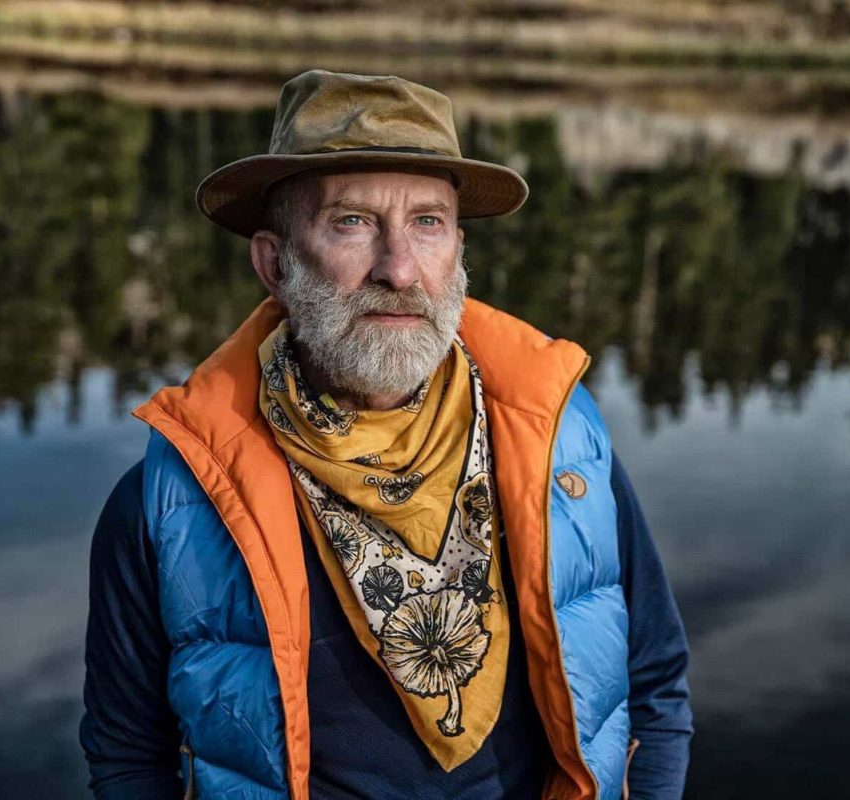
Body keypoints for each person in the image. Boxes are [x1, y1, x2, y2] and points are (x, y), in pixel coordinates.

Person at [80, 70, 692, 800]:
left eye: (427, 223)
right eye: (352, 221)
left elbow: (654, 689)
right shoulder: (174, 500)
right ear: (275, 263)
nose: (399, 270)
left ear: (458, 248)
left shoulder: (562, 445)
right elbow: (128, 753)